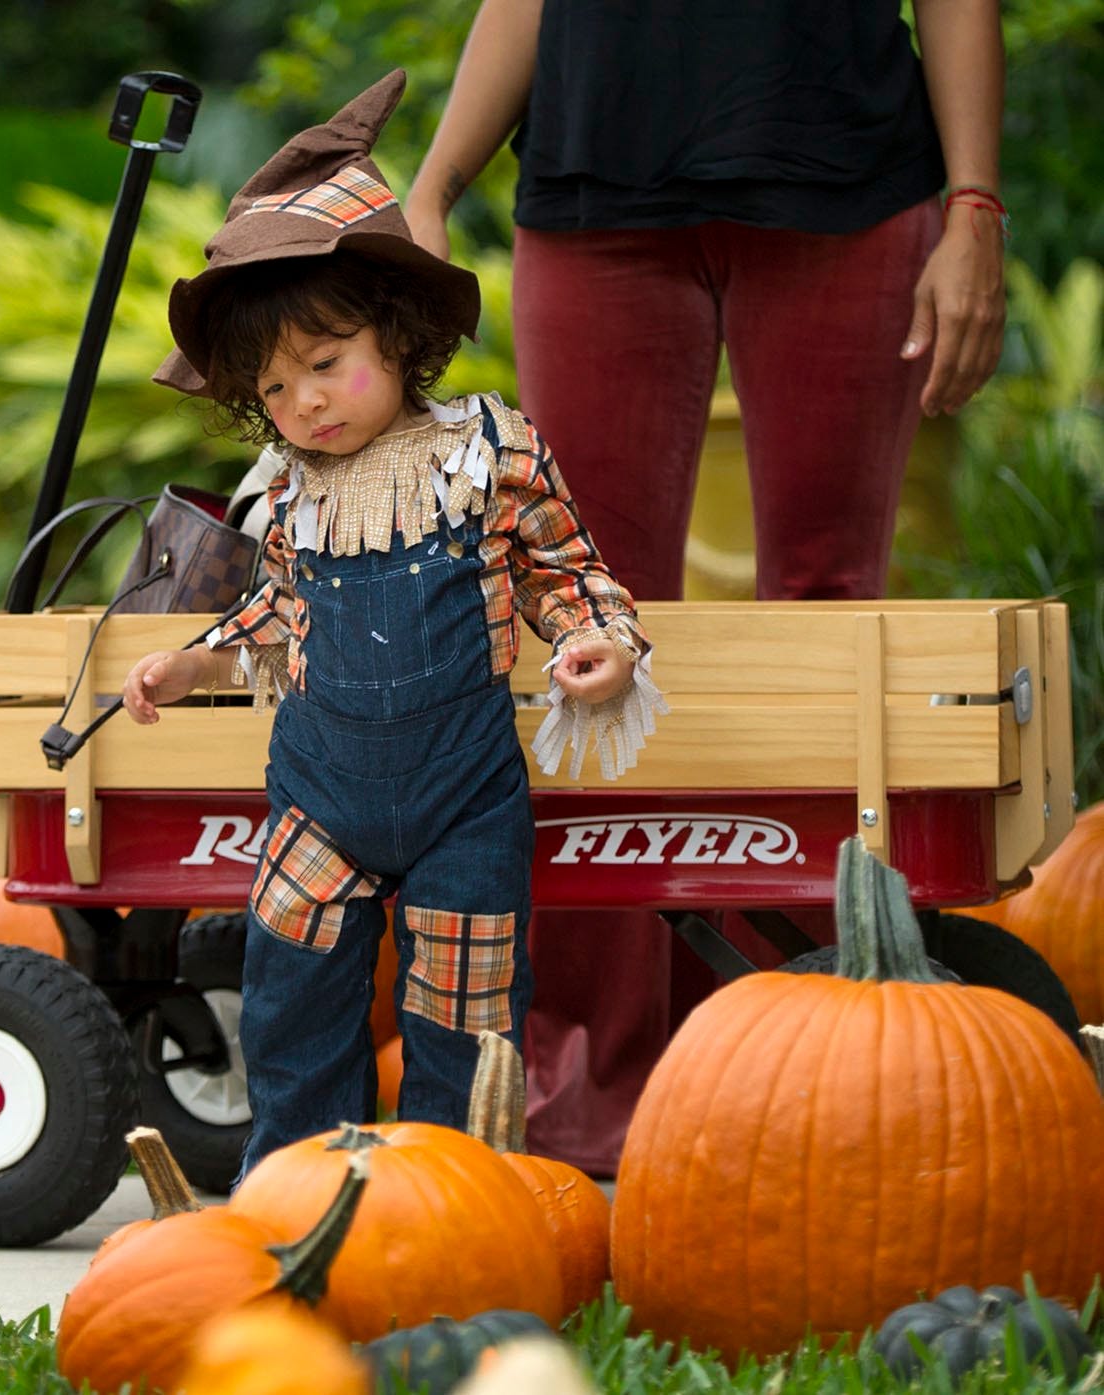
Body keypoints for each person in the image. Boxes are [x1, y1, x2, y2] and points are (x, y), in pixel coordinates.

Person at [397, 0, 1007, 1174]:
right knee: (587, 630)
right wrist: (434, 186)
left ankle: (814, 1058)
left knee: (827, 615)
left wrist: (973, 206)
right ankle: (595, 1086)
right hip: (594, 196)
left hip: (846, 183)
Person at [122, 70, 666, 1180]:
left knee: (464, 1024)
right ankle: (295, 1192)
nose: (306, 403)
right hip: (319, 796)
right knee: (292, 1006)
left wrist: (596, 645)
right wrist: (193, 663)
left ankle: (447, 1199)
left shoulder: (486, 455)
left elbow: (565, 571)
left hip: (463, 801)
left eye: (327, 365)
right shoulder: (290, 493)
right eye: (275, 390)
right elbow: (281, 608)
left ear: (400, 338)